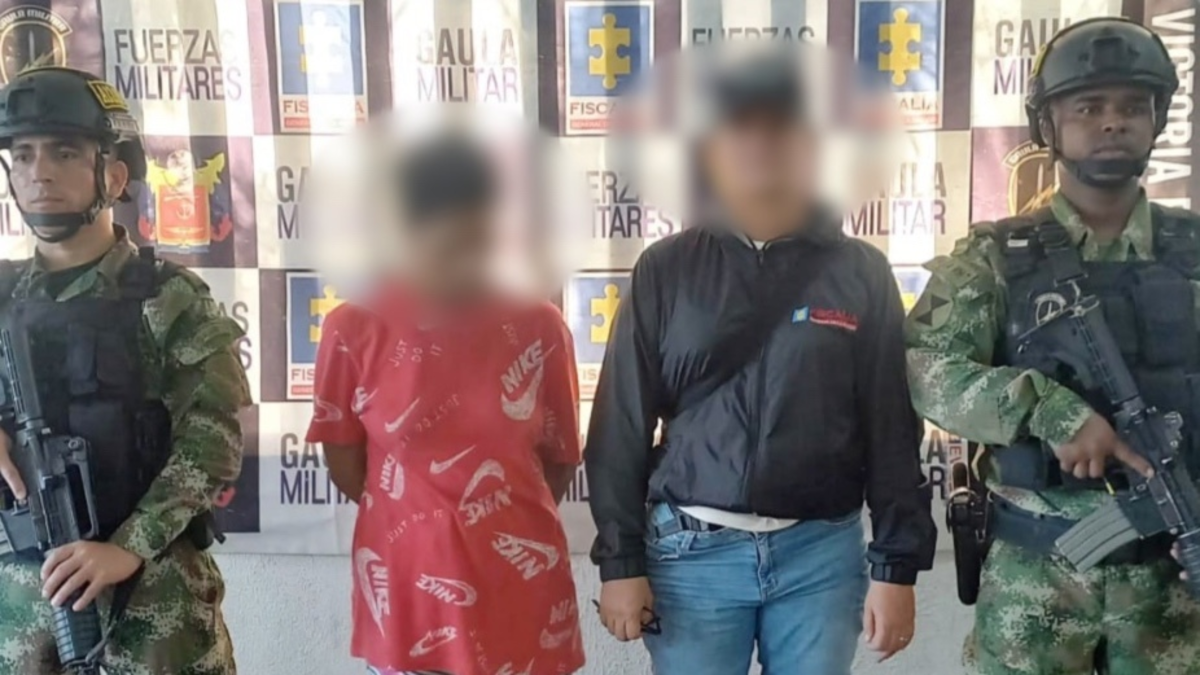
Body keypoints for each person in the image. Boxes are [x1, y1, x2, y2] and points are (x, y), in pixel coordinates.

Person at [586, 45, 937, 675]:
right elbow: (621, 427)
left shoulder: (861, 272)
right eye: (739, 130)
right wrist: (620, 562)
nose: (760, 146)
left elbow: (891, 429)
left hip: (820, 558)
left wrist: (896, 566)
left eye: (782, 129)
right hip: (692, 557)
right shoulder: (667, 269)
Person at [905, 17, 1200, 675]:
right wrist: (1045, 409)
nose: (1113, 122)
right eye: (1088, 107)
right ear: (1048, 124)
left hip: (1174, 586)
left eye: (1133, 107)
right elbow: (925, 368)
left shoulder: (1193, 253)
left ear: (1158, 121)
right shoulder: (995, 257)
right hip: (1036, 579)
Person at [304, 130, 585, 675]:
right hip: (408, 588)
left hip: (520, 588)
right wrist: (422, 521)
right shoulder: (353, 327)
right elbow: (345, 461)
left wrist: (492, 523)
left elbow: (560, 457)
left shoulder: (539, 324)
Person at [0, 66, 249, 673]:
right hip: (23, 608)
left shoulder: (168, 298)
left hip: (152, 605)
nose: (39, 172)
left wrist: (127, 547)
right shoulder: (4, 296)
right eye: (23, 155)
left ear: (113, 175)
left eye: (64, 152)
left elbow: (213, 441)